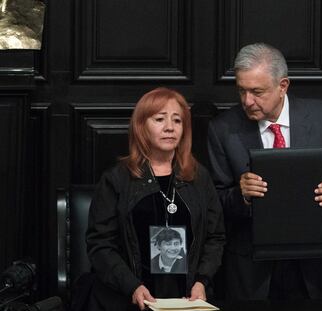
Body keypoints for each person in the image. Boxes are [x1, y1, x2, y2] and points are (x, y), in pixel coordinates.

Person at [207, 43, 322, 300]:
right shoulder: (223, 129)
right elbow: (215, 199)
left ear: (283, 86)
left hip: (318, 264)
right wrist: (242, 195)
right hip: (253, 270)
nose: (247, 101)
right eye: (242, 91)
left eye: (257, 92)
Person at [84, 87, 225, 311]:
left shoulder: (199, 177)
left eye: (177, 121)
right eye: (159, 119)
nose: (170, 127)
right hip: (128, 296)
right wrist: (132, 286)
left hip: (189, 298)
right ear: (142, 126)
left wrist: (202, 281)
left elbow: (215, 237)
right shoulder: (117, 179)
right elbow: (100, 244)